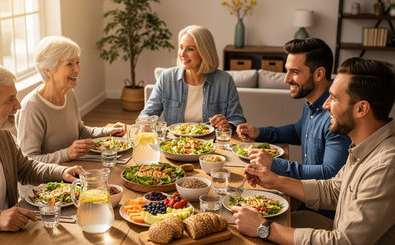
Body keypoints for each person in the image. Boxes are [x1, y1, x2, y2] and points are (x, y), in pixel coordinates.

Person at [232, 57, 395, 244]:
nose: (325, 106)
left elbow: (343, 242)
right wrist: (276, 181)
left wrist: (264, 228)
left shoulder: (385, 168)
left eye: (333, 98)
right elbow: (333, 190)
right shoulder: (364, 146)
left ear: (361, 109)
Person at [0, 63, 85, 244]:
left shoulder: (1, 132)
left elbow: (26, 168)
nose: (18, 105)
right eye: (10, 99)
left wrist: (61, 172)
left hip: (15, 235)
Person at [237, 38, 351, 180]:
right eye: (287, 71)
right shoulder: (311, 103)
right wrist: (259, 132)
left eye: (294, 72)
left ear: (319, 74)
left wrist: (274, 164)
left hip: (314, 200)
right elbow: (298, 131)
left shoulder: (336, 115)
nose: (286, 79)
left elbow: (330, 173)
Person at [16, 36, 126, 164]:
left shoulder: (69, 94)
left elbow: (80, 131)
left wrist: (107, 131)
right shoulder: (31, 108)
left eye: (77, 62)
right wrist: (67, 153)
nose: (77, 70)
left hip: (71, 169)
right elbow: (29, 161)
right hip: (46, 182)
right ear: (48, 70)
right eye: (69, 64)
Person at [139, 25, 246, 129]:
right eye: (181, 47)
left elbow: (238, 119)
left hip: (211, 144)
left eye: (190, 49)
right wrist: (145, 123)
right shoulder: (166, 78)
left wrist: (229, 125)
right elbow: (148, 113)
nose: (182, 54)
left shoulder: (224, 81)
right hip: (174, 144)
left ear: (204, 52)